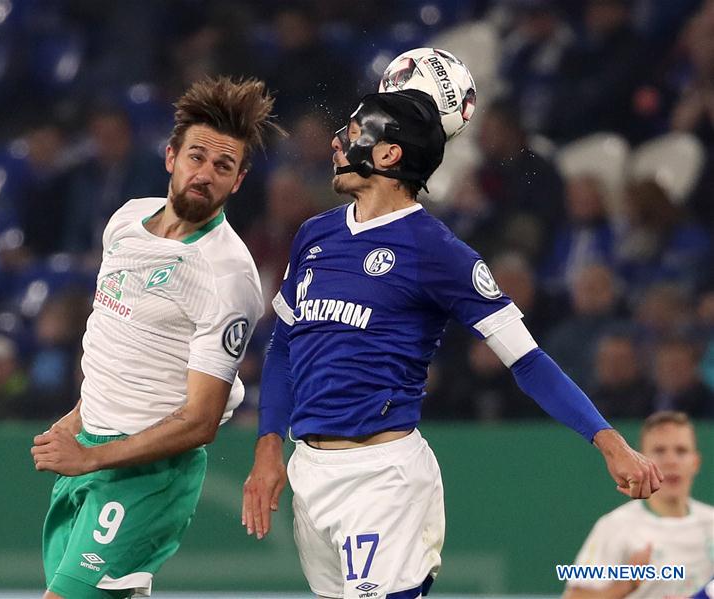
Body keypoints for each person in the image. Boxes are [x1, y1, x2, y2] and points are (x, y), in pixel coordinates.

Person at [242, 89, 662, 599]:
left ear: (389, 153)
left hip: (383, 480)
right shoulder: (314, 236)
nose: (336, 144)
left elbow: (527, 360)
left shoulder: (438, 251)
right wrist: (269, 449)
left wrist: (609, 442)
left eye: (352, 134)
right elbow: (284, 348)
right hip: (309, 473)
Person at [30, 76, 282, 599]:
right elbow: (119, 341)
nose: (205, 174)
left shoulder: (228, 274)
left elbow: (200, 420)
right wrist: (79, 420)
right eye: (197, 157)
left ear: (238, 182)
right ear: (171, 156)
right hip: (89, 451)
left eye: (223, 167)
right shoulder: (123, 222)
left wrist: (95, 457)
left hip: (147, 475)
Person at [563, 411, 714, 599]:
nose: (671, 461)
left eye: (681, 451)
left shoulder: (711, 523)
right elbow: (573, 597)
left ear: (696, 462)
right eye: (659, 451)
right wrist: (628, 584)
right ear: (640, 460)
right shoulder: (615, 527)